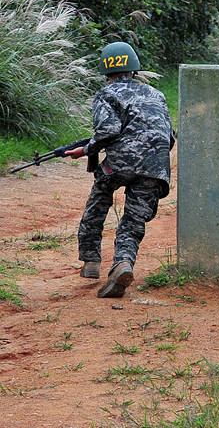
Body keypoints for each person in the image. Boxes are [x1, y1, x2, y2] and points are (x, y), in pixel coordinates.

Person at [66, 42, 175, 298]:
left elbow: (108, 131)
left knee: (100, 196)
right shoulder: (157, 94)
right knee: (134, 220)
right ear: (134, 68)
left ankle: (91, 261)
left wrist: (85, 149)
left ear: (107, 70)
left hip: (119, 163)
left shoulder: (107, 94)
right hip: (156, 166)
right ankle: (123, 264)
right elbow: (169, 137)